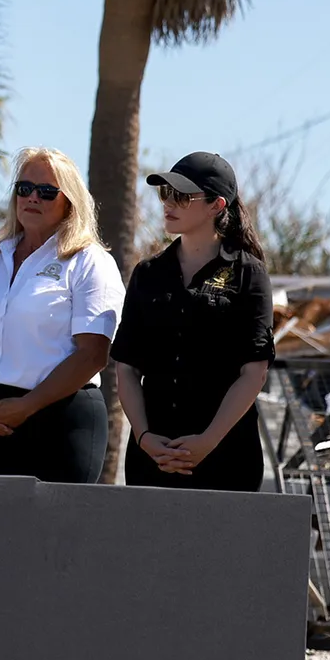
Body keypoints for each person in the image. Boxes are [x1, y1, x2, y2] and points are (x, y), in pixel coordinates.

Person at [112, 152, 274, 493]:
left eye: (182, 197)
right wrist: (143, 438)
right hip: (152, 457)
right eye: (165, 194)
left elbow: (254, 372)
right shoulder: (147, 274)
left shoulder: (249, 273)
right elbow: (126, 368)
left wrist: (206, 442)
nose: (169, 204)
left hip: (228, 457)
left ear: (217, 205)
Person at [0, 148, 123, 483]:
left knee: (54, 536)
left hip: (61, 417)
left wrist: (29, 405)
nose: (33, 197)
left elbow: (93, 354)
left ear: (70, 202)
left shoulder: (88, 261)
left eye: (47, 192)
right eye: (24, 188)